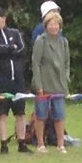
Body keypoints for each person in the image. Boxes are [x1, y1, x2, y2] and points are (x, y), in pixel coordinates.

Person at [0, 8, 28, 152]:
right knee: (1, 114)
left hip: (18, 80)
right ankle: (3, 144)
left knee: (20, 113)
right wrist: (10, 49)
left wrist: (10, 50)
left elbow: (22, 49)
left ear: (3, 18)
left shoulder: (15, 33)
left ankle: (22, 142)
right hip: (0, 81)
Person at [32, 10, 71, 152]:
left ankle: (61, 144)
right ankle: (40, 144)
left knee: (59, 115)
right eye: (51, 24)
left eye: (56, 24)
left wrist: (66, 79)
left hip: (59, 85)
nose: (54, 27)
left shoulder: (64, 42)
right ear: (46, 26)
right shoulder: (40, 41)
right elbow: (35, 64)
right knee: (41, 115)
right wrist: (38, 85)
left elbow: (67, 63)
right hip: (44, 83)